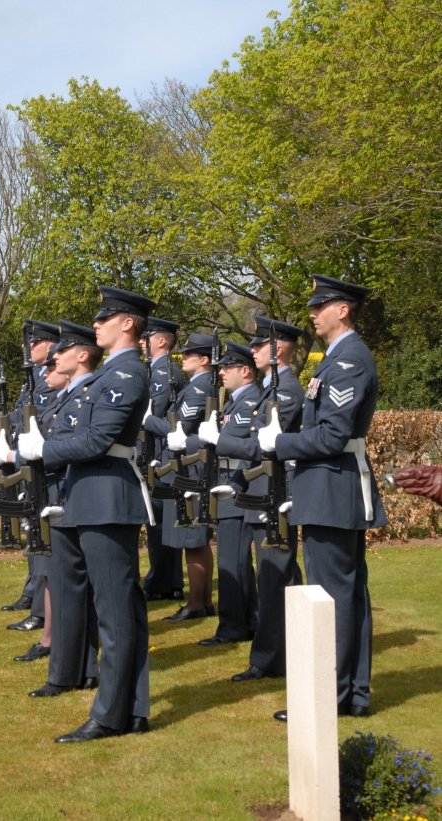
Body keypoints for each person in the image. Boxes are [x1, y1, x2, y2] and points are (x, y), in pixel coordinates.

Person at [18, 286, 156, 742]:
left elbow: (97, 440)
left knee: (115, 612)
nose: (95, 324)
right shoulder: (112, 372)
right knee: (115, 608)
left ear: (127, 324)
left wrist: (43, 450)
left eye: (103, 318)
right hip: (92, 494)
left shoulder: (126, 372)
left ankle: (112, 714)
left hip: (107, 497)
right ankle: (128, 709)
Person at [258, 276, 388, 720]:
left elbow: (332, 436)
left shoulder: (348, 360)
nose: (312, 314)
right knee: (345, 595)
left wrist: (281, 444)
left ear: (343, 310)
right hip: (328, 486)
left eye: (320, 306)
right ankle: (351, 694)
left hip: (333, 487)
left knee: (333, 596)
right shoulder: (337, 358)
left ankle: (330, 697)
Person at [0, 322, 103, 693]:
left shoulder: (87, 392)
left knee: (71, 585)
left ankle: (69, 665)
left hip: (69, 493)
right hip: (56, 491)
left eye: (59, 355)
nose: (51, 363)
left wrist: (26, 452)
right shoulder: (66, 397)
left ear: (81, 355)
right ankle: (72, 668)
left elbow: (82, 444)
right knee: (61, 581)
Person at [201, 319, 304, 675]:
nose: (254, 350)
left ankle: (271, 658)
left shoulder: (286, 390)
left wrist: (220, 441)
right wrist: (239, 483)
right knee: (275, 577)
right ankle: (283, 649)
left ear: (278, 349)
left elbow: (264, 446)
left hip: (275, 492)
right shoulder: (271, 390)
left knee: (276, 577)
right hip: (261, 489)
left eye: (259, 345)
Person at [192, 340, 261, 645]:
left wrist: (207, 437)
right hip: (229, 483)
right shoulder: (234, 402)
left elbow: (234, 440)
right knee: (236, 562)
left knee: (232, 562)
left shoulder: (249, 402)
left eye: (227, 367)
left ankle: (232, 628)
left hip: (237, 486)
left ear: (245, 371)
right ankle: (250, 621)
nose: (221, 372)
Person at [144, 334, 216, 621]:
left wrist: (149, 421)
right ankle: (203, 602)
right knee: (194, 539)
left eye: (189, 355)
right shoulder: (197, 384)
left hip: (190, 469)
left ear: (204, 360)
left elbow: (180, 429)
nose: (182, 358)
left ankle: (196, 604)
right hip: (189, 467)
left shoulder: (200, 387)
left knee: (192, 540)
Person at [0, 320, 60, 626]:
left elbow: (38, 417)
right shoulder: (33, 376)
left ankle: (39, 602)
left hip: (41, 461)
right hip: (28, 456)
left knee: (40, 529)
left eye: (33, 343)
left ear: (49, 344)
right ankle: (32, 593)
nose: (26, 347)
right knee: (32, 527)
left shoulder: (49, 377)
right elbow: (21, 411)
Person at [138, 317, 185, 602]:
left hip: (159, 454)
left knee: (159, 523)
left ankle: (163, 582)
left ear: (162, 341)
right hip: (154, 453)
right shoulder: (156, 370)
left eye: (147, 338)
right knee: (158, 523)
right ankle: (166, 580)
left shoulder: (164, 372)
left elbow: (152, 414)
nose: (141, 342)